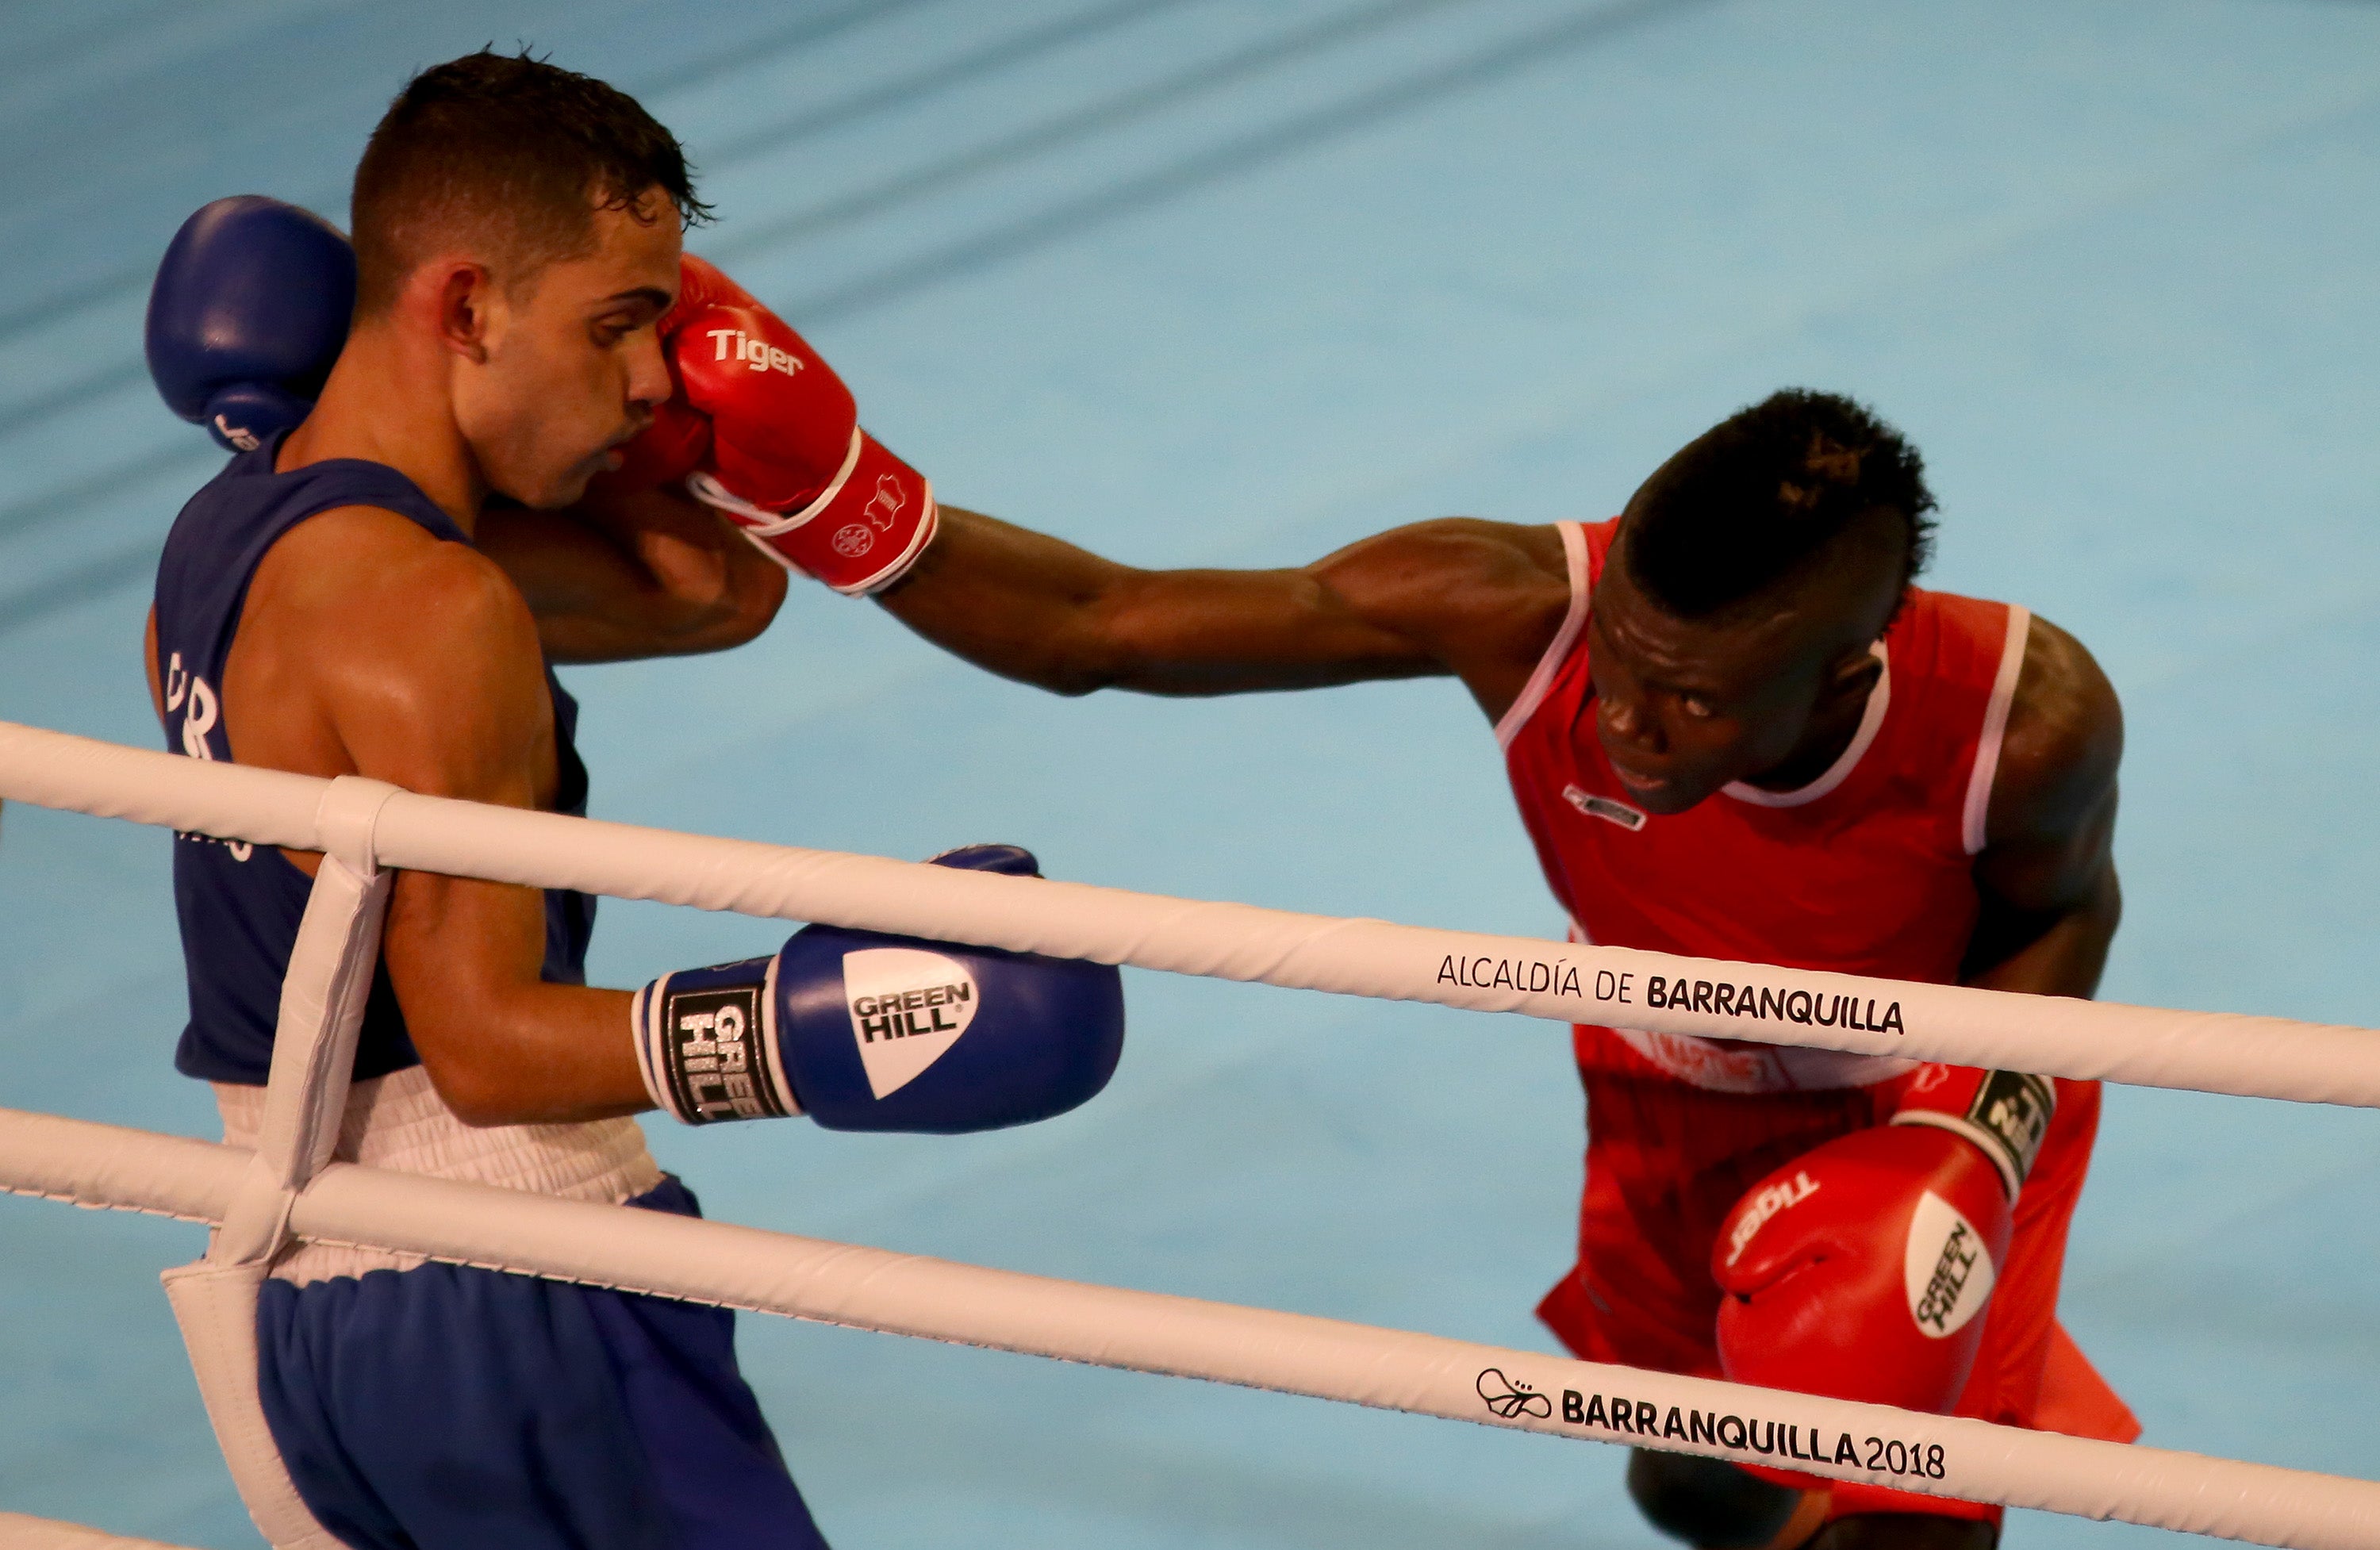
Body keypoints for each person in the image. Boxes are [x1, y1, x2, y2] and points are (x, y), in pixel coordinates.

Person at [766, 389, 2126, 1549]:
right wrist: (819, 485)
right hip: (1669, 1082)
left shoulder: (2022, 715)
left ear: (1841, 679)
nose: (1632, 728)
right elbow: (1096, 624)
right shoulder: (1520, 607)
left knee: (1911, 1522)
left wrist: (1966, 1141)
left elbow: (2062, 915)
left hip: (1933, 1104)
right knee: (1694, 1477)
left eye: (1697, 699)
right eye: (1623, 670)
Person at [144, 52, 1122, 1549]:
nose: (661, 380)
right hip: (506, 1289)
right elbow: (481, 1049)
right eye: (618, 326)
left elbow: (708, 592)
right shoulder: (425, 610)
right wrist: (821, 1028)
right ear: (463, 306)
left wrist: (604, 399)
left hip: (316, 1324)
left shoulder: (232, 541)